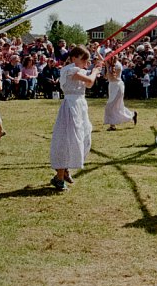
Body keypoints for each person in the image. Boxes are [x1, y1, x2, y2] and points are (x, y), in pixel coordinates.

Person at [49, 46, 101, 191]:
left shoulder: (78, 70)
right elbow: (90, 80)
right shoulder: (70, 70)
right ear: (74, 58)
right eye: (83, 59)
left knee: (84, 137)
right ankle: (59, 176)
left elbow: (89, 84)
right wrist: (95, 71)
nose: (86, 62)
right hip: (71, 106)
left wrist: (96, 69)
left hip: (80, 105)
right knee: (68, 139)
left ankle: (65, 169)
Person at [103, 56, 138, 131]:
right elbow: (106, 77)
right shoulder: (110, 65)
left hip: (117, 87)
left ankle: (112, 125)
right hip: (111, 86)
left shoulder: (118, 65)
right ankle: (132, 115)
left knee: (110, 106)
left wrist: (107, 67)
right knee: (116, 107)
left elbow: (112, 78)